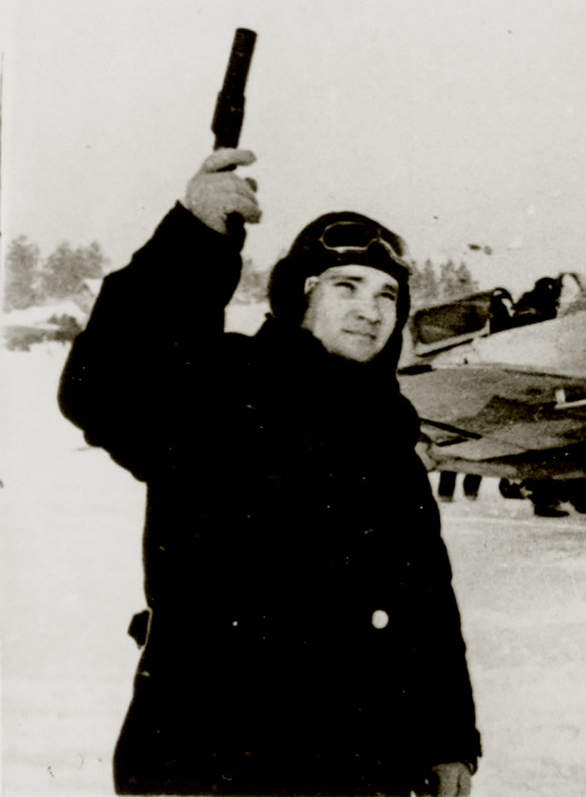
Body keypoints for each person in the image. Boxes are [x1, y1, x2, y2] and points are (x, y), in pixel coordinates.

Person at [59, 148, 480, 796]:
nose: (371, 309)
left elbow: (424, 601)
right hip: (215, 757)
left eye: (387, 294)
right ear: (299, 297)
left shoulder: (390, 440)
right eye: (346, 286)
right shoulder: (226, 392)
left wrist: (447, 736)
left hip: (365, 765)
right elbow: (102, 383)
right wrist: (195, 234)